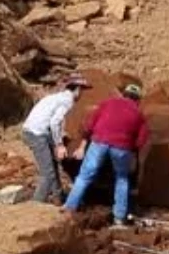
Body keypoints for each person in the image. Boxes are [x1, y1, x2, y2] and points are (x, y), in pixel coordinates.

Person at [63, 83, 150, 226]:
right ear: (138, 100)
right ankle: (119, 217)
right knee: (122, 178)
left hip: (100, 141)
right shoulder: (138, 114)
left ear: (123, 95)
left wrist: (85, 140)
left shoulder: (108, 103)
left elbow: (90, 123)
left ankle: (69, 209)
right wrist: (131, 149)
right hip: (122, 146)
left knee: (84, 176)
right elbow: (142, 139)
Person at [22, 74, 89, 203]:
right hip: (36, 134)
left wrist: (61, 135)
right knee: (47, 174)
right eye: (82, 90)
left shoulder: (57, 97)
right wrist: (59, 145)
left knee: (53, 165)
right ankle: (36, 203)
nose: (82, 94)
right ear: (77, 89)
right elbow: (54, 122)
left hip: (36, 131)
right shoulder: (68, 100)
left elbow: (52, 121)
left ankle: (58, 197)